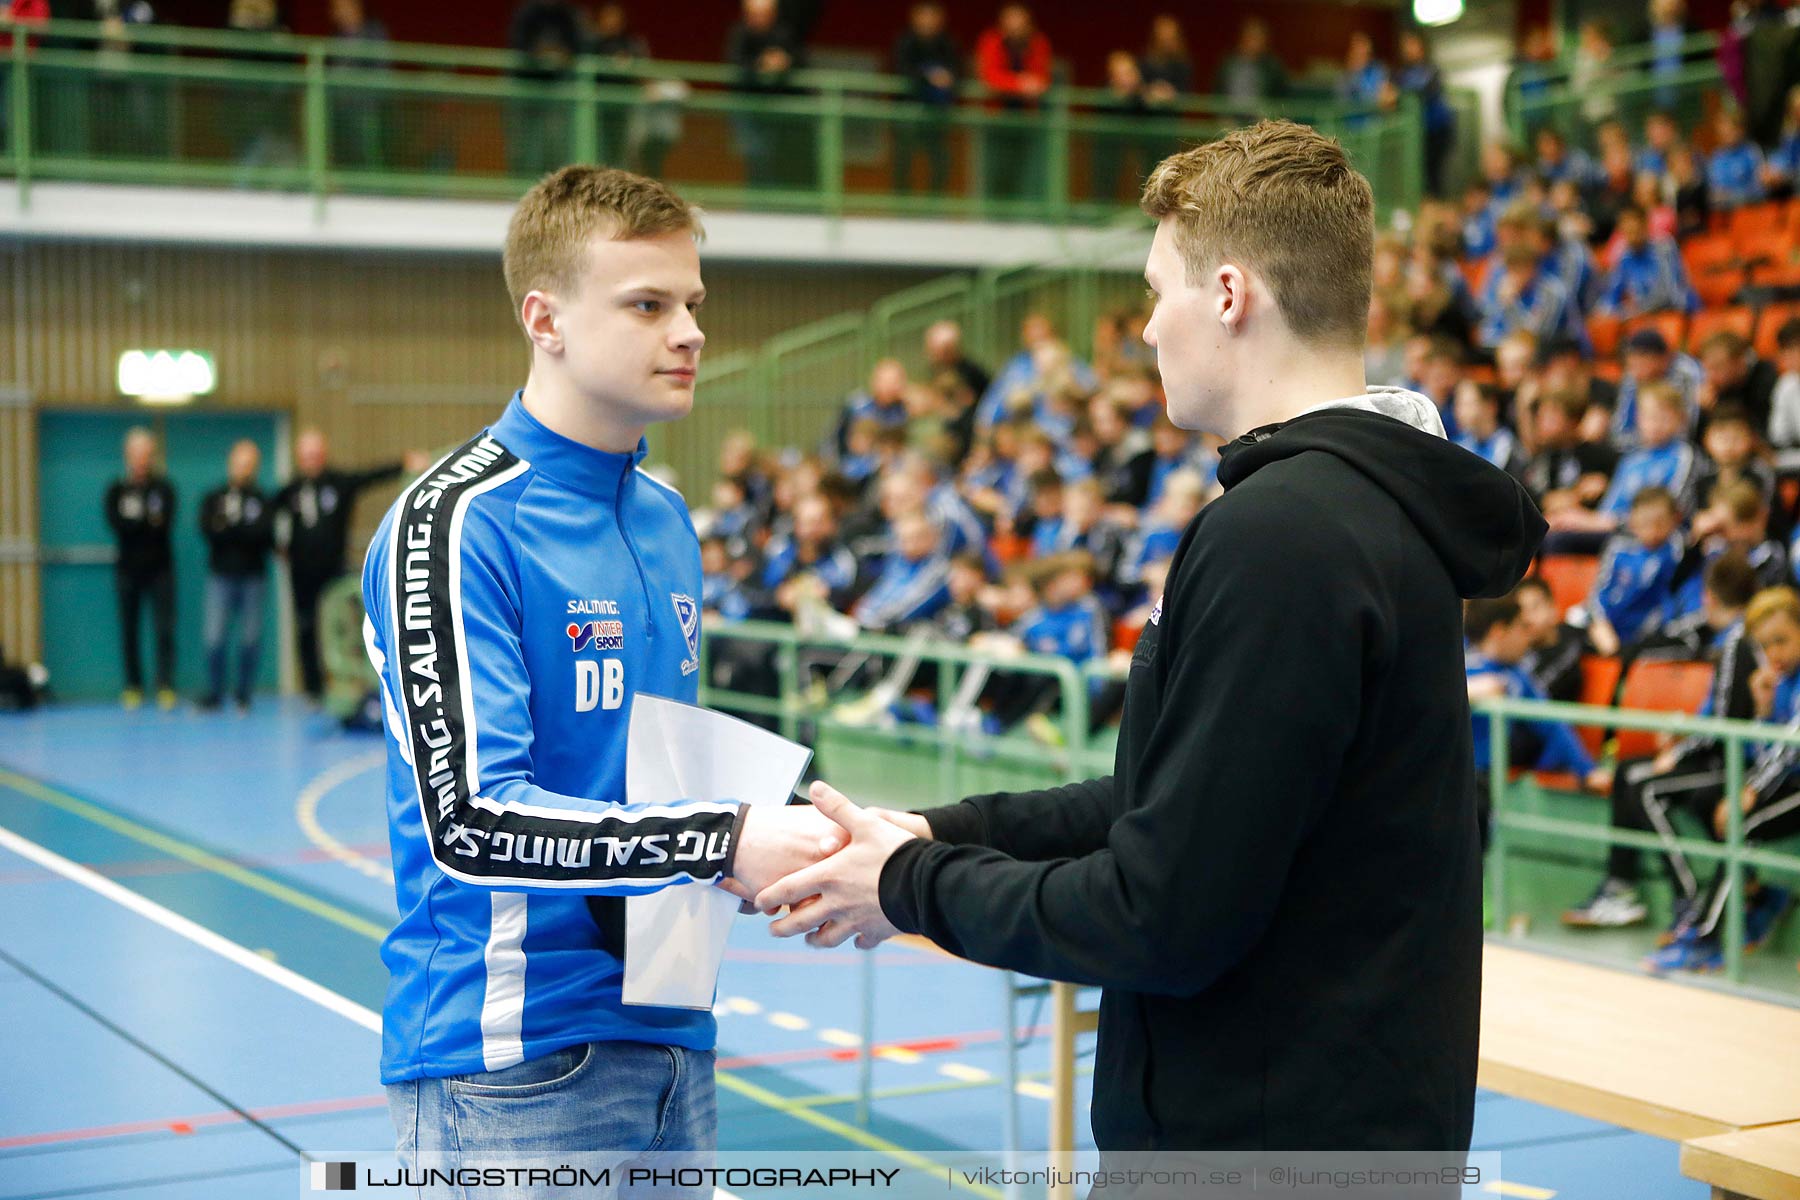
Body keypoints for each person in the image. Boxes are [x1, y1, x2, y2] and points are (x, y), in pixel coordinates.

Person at [754, 121, 1543, 1158]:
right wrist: (932, 833)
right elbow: (1175, 805)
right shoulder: (1353, 510)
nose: (1143, 330)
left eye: (1154, 292)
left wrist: (906, 888)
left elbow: (1159, 916)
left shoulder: (1285, 536)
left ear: (1227, 294)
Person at [361, 167, 847, 1178]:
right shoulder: (457, 523)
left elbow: (654, 771)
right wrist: (724, 837)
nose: (689, 333)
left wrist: (795, 836)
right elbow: (470, 820)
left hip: (672, 1035)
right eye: (647, 304)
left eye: (693, 304)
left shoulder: (666, 518)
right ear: (545, 319)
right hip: (510, 1062)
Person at [1563, 551, 1761, 931]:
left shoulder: (1738, 643)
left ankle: (1688, 897)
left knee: (1645, 788)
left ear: (1709, 597)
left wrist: (1679, 751)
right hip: (1711, 753)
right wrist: (1682, 733)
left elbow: (1726, 724)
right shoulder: (1730, 639)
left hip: (1730, 762)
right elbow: (1717, 711)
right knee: (1625, 772)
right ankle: (1620, 888)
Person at [1644, 585, 1800, 972]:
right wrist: (1764, 711)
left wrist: (1749, 790)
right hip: (1786, 782)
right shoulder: (1778, 681)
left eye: (1782, 640)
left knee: (1738, 823)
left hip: (1791, 784)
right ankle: (1760, 897)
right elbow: (1771, 752)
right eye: (1766, 646)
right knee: (1705, 802)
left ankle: (1706, 939)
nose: (1774, 654)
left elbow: (1790, 749)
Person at [272, 430, 420, 702]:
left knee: (344, 626)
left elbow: (368, 477)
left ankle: (350, 683)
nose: (311, 460)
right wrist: (278, 548)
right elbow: (268, 517)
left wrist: (402, 464)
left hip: (334, 570)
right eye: (306, 455)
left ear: (323, 454)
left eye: (315, 454)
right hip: (302, 573)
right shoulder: (290, 491)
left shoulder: (338, 483)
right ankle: (313, 689)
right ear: (298, 457)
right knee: (306, 627)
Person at [198, 439, 274, 713]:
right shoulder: (214, 497)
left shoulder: (263, 499)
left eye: (249, 464)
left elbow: (264, 534)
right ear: (231, 463)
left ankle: (243, 695)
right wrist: (240, 530)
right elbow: (209, 531)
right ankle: (215, 693)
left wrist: (231, 528)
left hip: (253, 577)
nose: (244, 469)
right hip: (220, 576)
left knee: (250, 638)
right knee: (214, 637)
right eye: (239, 462)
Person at [105, 427, 177, 710]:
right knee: (129, 630)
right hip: (127, 571)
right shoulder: (117, 489)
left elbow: (163, 524)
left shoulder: (163, 488)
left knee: (163, 629)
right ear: (127, 456)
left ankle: (165, 685)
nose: (141, 459)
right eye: (136, 454)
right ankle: (133, 685)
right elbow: (117, 524)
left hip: (161, 570)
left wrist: (138, 523)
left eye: (146, 453)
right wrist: (144, 522)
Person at [975, 4, 1052, 202]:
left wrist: (1030, 85)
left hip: (1027, 120)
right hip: (996, 119)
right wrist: (1019, 84)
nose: (1015, 27)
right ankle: (991, 217)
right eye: (1011, 22)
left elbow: (1041, 80)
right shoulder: (991, 41)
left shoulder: (1038, 43)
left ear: (1028, 25)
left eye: (1020, 23)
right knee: (995, 171)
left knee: (1025, 173)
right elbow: (989, 77)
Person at [892, 2, 960, 196]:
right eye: (923, 16)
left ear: (940, 20)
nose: (927, 21)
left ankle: (936, 206)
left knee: (940, 159)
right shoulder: (905, 41)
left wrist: (948, 78)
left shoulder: (948, 43)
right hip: (908, 109)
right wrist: (928, 76)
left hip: (938, 112)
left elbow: (958, 72)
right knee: (903, 158)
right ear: (914, 18)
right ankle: (901, 204)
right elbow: (902, 68)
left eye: (932, 16)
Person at [1211, 17, 1286, 117]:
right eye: (1251, 37)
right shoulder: (1228, 64)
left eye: (1258, 38)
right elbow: (1217, 92)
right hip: (1230, 116)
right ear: (1243, 38)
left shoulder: (1272, 67)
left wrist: (1268, 116)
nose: (1254, 43)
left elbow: (1280, 97)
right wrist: (1223, 116)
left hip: (1260, 118)